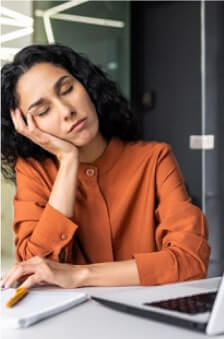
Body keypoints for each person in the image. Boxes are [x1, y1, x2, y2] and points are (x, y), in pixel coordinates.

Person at [1, 43, 210, 289]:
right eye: (44, 110)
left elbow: (190, 261)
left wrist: (80, 275)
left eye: (67, 89)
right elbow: (36, 268)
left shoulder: (154, 160)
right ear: (28, 126)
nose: (67, 111)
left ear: (86, 86)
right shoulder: (34, 171)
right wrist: (68, 161)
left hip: (148, 320)